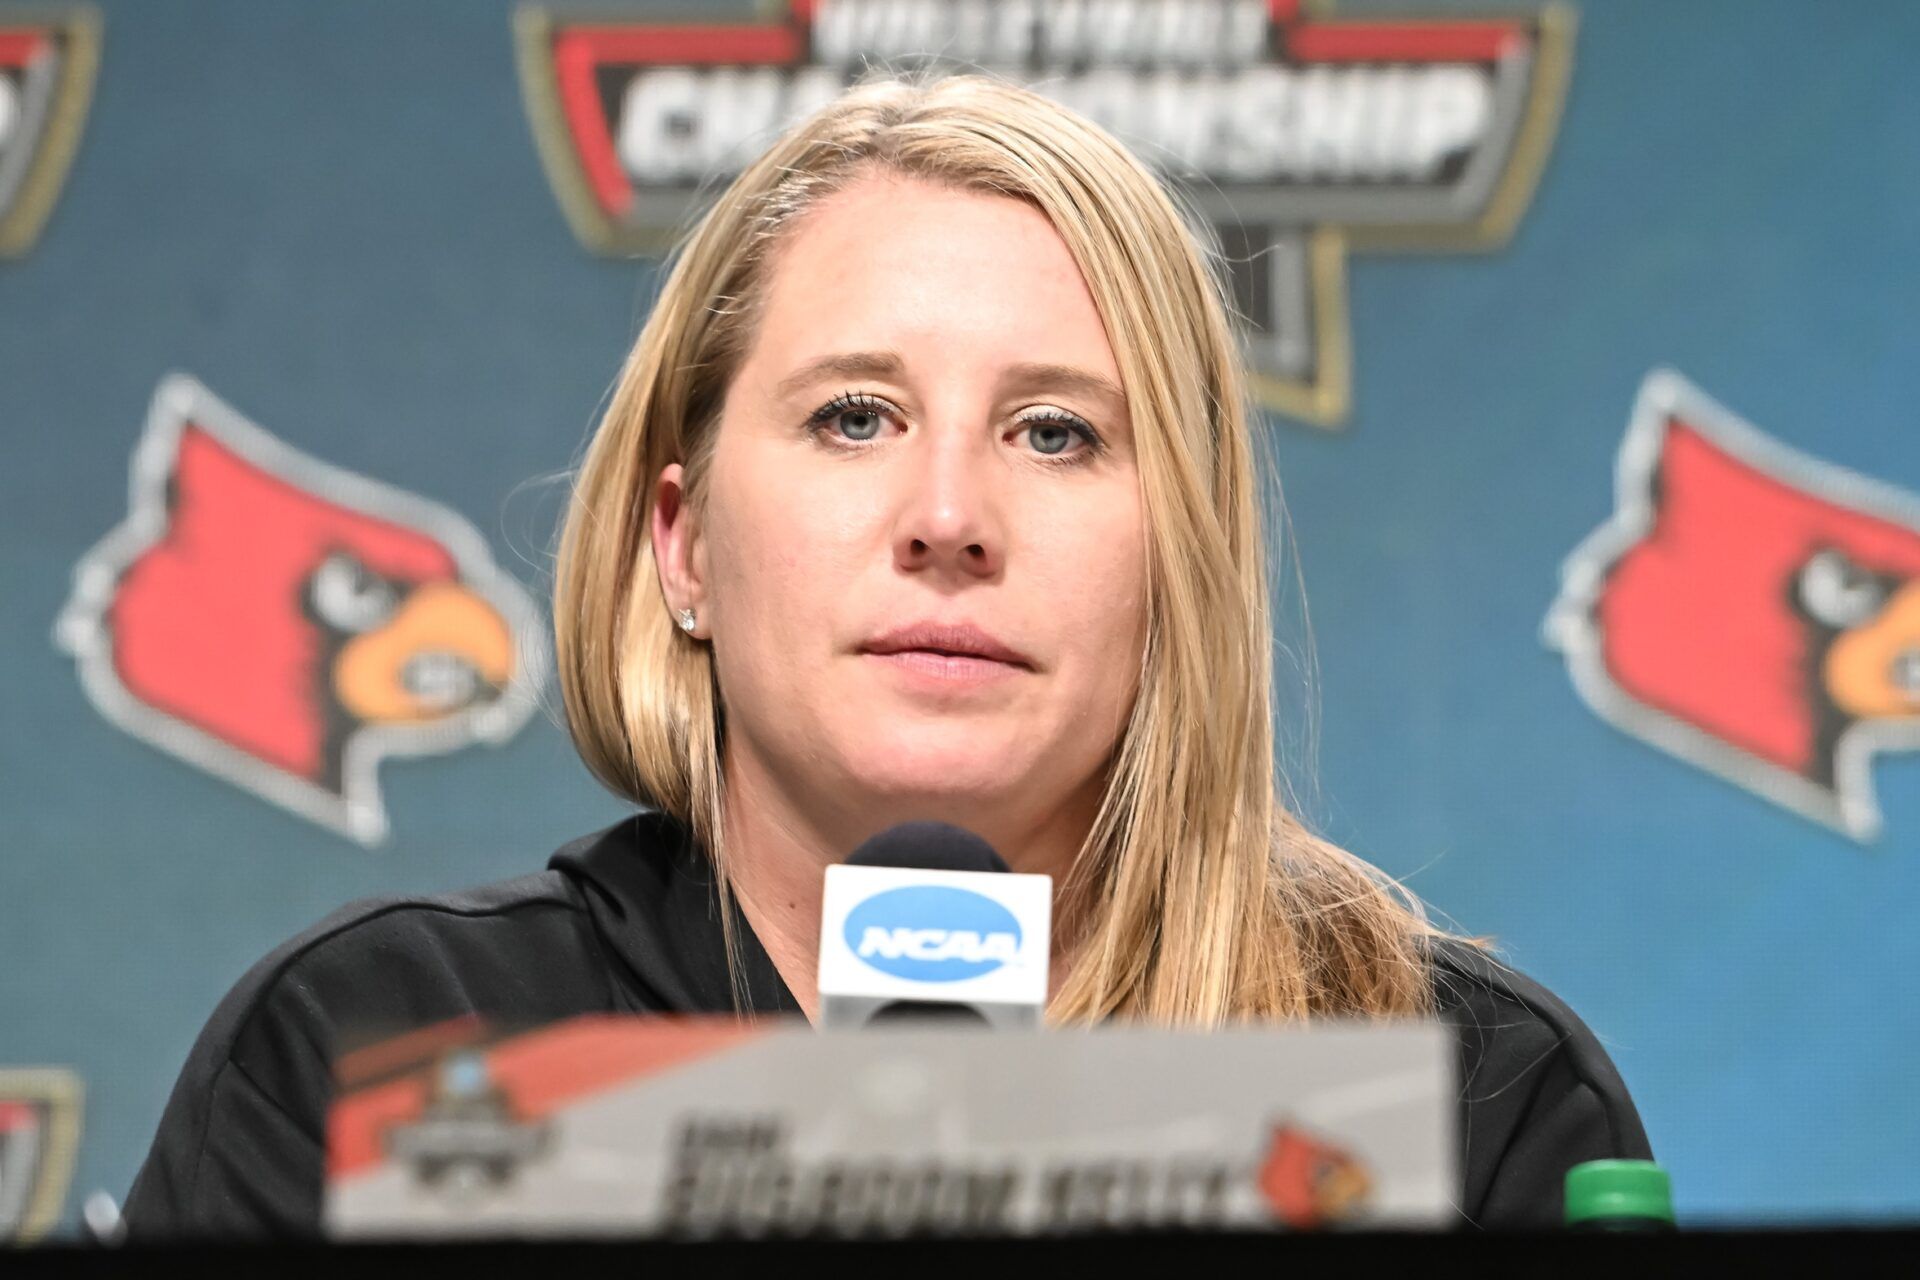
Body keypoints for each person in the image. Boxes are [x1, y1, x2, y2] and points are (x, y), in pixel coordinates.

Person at [122, 70, 1651, 1237]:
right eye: (855, 417)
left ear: (1178, 562)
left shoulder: (1457, 1104)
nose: (946, 516)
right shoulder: (372, 1061)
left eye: (1057, 433)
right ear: (685, 545)